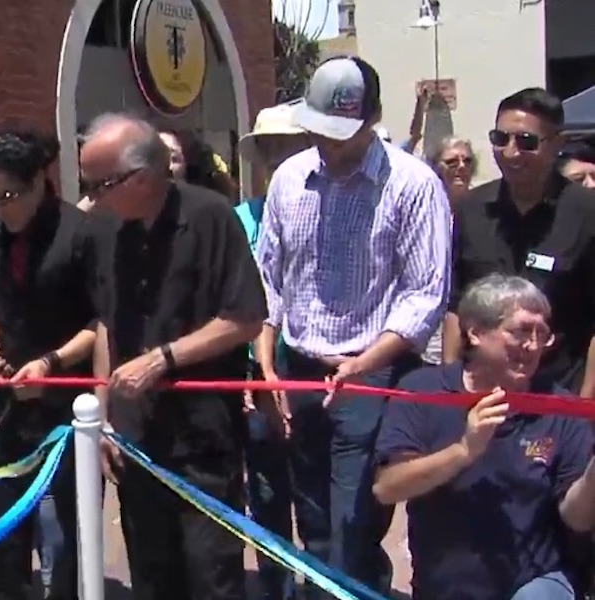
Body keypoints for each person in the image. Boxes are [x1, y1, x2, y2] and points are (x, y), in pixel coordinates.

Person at [255, 56, 451, 598]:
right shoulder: (290, 180)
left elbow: (423, 295)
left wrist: (364, 363)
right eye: (320, 131)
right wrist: (266, 362)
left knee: (354, 523)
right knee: (311, 516)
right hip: (297, 370)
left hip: (370, 374)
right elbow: (270, 277)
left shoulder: (413, 186)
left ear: (374, 117)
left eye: (342, 133)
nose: (329, 144)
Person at [82, 113, 267, 600]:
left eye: (97, 185)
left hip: (202, 438)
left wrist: (163, 359)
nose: (91, 197)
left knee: (210, 577)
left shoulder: (210, 216)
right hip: (135, 438)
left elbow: (245, 317)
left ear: (141, 178)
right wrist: (103, 416)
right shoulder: (105, 230)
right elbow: (106, 324)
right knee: (152, 577)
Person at [374, 274, 595, 600]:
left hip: (534, 581)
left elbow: (576, 519)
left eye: (542, 334)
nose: (533, 346)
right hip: (445, 588)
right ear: (475, 332)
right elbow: (387, 488)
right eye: (521, 331)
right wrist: (464, 451)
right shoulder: (423, 391)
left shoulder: (558, 408)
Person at [0, 131, 97, 600]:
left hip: (69, 402)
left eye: (9, 196)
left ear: (40, 182)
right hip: (8, 407)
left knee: (66, 531)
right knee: (4, 528)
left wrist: (50, 364)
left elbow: (99, 323)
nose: (1, 208)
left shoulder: (80, 233)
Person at [442, 88, 595, 397]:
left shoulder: (585, 213)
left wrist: (584, 407)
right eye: (500, 139)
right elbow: (457, 306)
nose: (510, 153)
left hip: (557, 394)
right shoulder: (472, 209)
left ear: (557, 145)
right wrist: (450, 383)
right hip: (480, 393)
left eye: (526, 142)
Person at [236, 99, 310, 600]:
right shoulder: (236, 219)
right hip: (254, 368)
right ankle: (277, 587)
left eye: (289, 146)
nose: (279, 156)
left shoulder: (322, 211)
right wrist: (248, 371)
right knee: (266, 488)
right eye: (270, 149)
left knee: (317, 487)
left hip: (311, 361)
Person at [419, 136, 477, 366]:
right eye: (452, 162)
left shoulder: (482, 208)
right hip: (428, 327)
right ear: (435, 166)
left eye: (467, 161)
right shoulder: (424, 209)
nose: (461, 167)